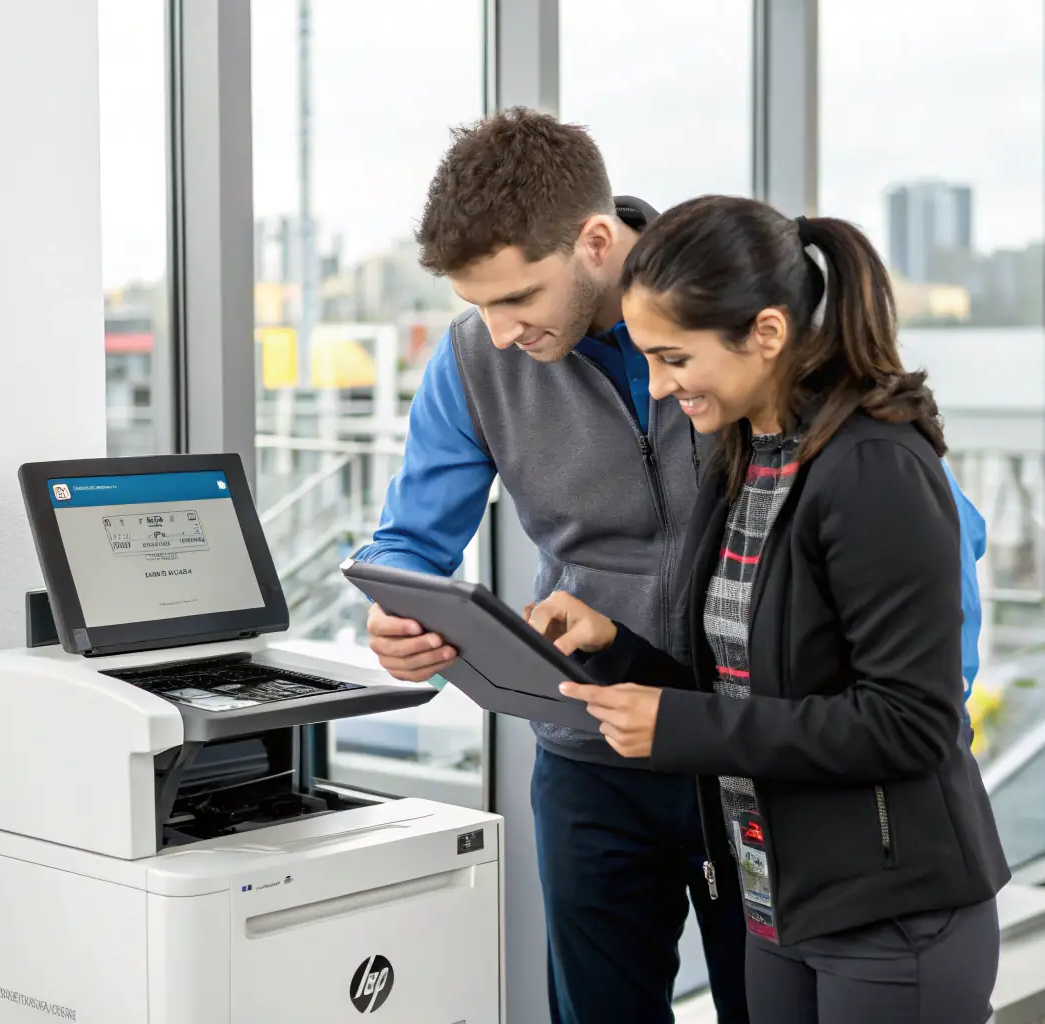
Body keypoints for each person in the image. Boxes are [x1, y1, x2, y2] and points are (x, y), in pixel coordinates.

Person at [352, 109, 987, 1024]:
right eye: (476, 306)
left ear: (595, 241)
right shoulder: (475, 361)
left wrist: (895, 756)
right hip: (594, 741)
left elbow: (928, 542)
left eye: (518, 298)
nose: (497, 333)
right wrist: (398, 614)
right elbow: (407, 539)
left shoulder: (735, 320)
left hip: (762, 752)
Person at [528, 195, 1011, 1024]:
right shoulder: (747, 459)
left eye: (674, 356)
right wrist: (614, 650)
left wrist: (676, 727)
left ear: (766, 334)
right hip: (776, 905)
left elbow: (910, 723)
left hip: (890, 917)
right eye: (647, 357)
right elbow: (755, 691)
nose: (656, 385)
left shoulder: (875, 470)